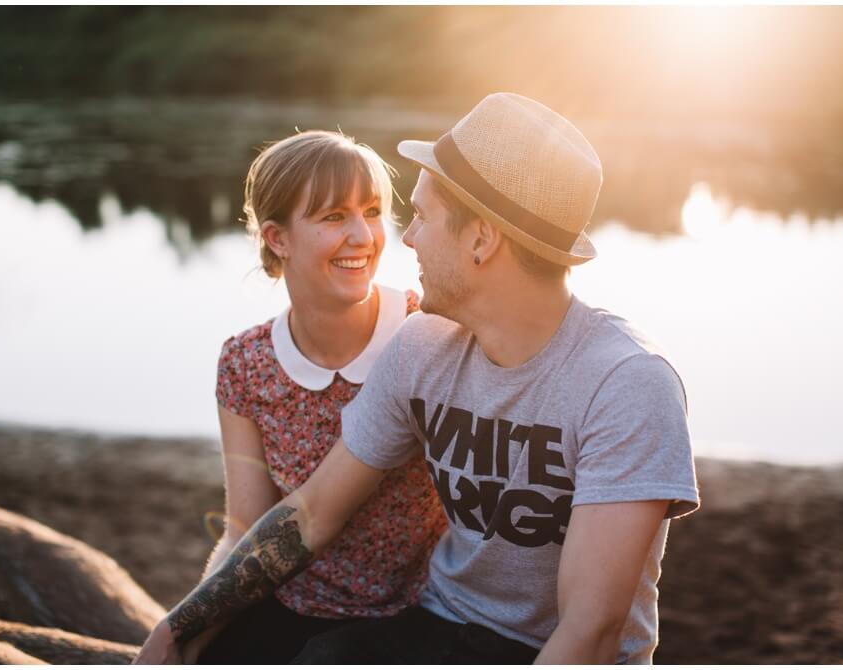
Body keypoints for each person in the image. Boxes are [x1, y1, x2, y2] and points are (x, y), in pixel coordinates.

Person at [134, 93, 700, 665]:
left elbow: (590, 634)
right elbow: (312, 514)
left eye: (423, 217)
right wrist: (180, 628)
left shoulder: (628, 384)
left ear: (482, 239)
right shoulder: (423, 343)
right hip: (437, 627)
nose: (404, 240)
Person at [178, 130, 447, 664]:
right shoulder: (246, 364)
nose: (363, 236)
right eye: (332, 217)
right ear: (278, 238)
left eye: (371, 212)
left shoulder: (428, 331)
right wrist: (183, 627)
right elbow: (243, 530)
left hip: (416, 615)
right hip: (286, 604)